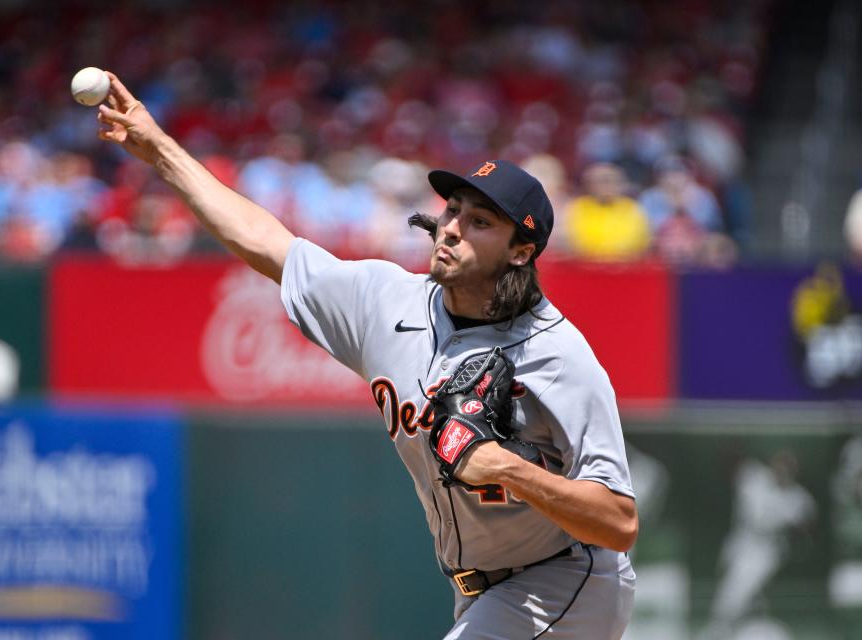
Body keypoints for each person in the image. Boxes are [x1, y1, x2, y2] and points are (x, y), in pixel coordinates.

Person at [97, 71, 638, 639]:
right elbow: (265, 241)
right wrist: (158, 149)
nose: (450, 229)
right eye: (451, 210)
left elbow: (619, 521)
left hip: (567, 580)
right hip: (483, 589)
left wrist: (506, 467)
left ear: (521, 252)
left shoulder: (558, 354)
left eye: (479, 222)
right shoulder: (388, 302)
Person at [563, 162, 651, 261]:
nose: (606, 186)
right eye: (600, 181)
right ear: (589, 185)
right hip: (587, 267)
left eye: (610, 181)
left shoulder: (633, 209)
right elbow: (574, 242)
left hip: (625, 268)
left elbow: (639, 243)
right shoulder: (577, 208)